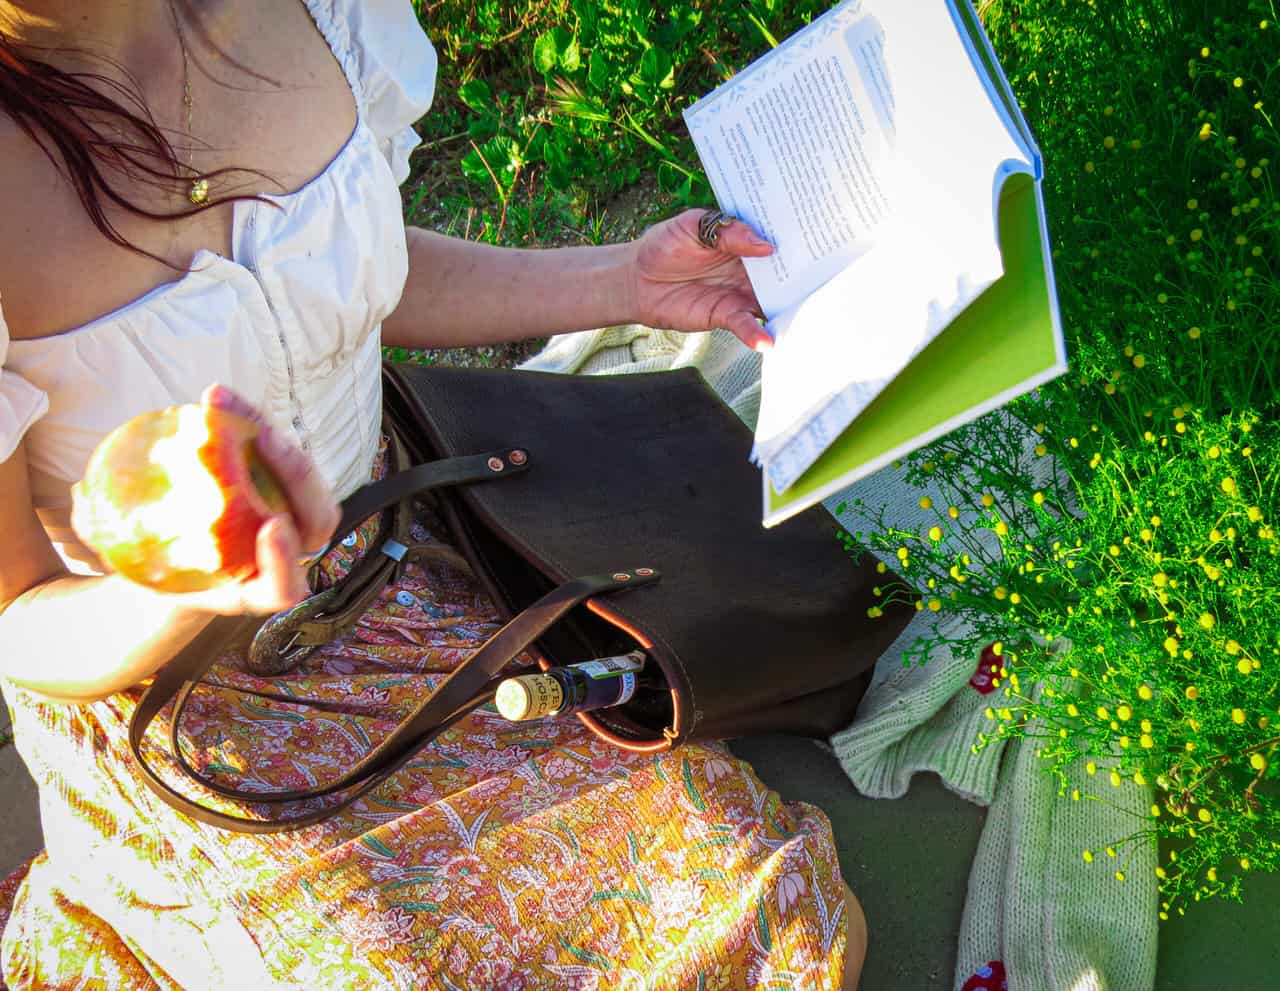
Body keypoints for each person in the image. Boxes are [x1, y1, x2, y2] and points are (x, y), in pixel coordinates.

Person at [0, 1, 867, 988]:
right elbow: (18, 619)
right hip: (184, 703)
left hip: (415, 558)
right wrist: (180, 583)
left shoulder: (319, 14)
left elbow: (355, 270)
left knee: (781, 927)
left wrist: (627, 278)